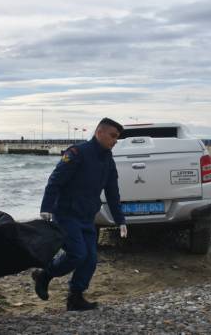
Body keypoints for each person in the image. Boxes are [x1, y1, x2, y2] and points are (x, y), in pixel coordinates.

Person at [32, 117, 128, 311]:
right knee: (77, 254)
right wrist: (46, 208)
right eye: (113, 136)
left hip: (87, 217)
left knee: (90, 259)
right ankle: (45, 274)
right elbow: (55, 180)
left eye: (117, 138)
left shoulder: (108, 159)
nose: (115, 141)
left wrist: (120, 220)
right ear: (99, 132)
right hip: (66, 214)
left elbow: (112, 191)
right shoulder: (77, 153)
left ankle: (75, 298)